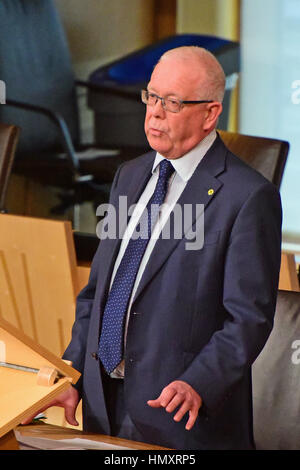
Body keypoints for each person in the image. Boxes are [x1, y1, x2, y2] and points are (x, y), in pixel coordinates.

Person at [23, 46, 282, 450]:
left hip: (180, 415)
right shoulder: (130, 176)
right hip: (102, 404)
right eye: (152, 96)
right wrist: (73, 371)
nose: (155, 112)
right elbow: (99, 294)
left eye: (173, 102)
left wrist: (200, 382)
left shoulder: (248, 197)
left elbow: (248, 318)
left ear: (210, 113)